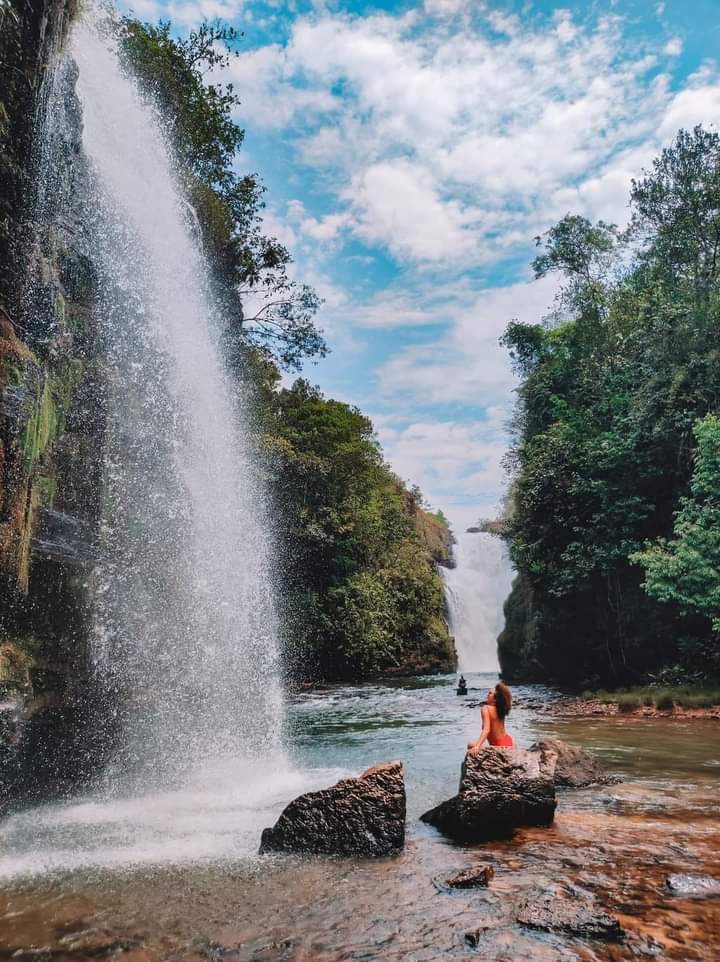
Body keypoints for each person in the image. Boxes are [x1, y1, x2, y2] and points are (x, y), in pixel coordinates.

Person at [467, 682, 513, 753]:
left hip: (499, 745)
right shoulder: (500, 709)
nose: (487, 695)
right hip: (509, 741)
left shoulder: (486, 708)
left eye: (490, 693)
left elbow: (486, 730)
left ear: (495, 700)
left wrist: (477, 746)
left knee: (470, 745)